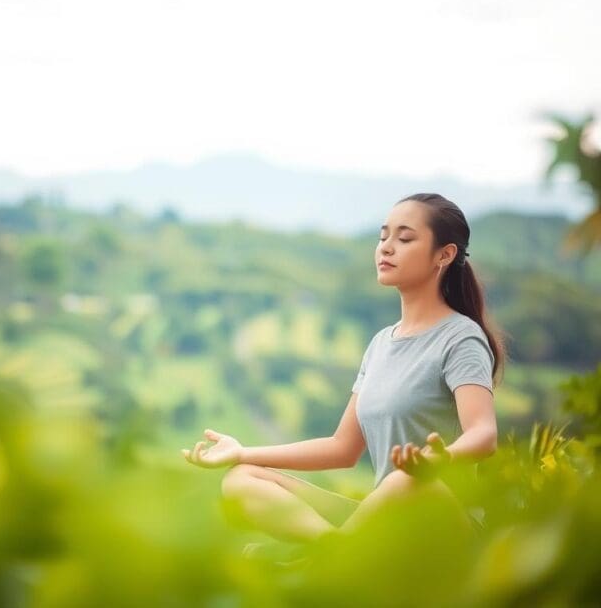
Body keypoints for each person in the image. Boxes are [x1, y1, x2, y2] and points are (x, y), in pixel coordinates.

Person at [181, 193, 504, 548]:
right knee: (241, 479)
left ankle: (332, 559)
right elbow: (342, 448)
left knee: (406, 479)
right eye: (383, 236)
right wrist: (242, 452)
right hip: (385, 520)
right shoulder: (381, 344)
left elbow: (483, 433)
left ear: (445, 255)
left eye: (405, 238)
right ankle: (334, 550)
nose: (386, 247)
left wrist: (440, 459)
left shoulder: (461, 337)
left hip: (445, 522)